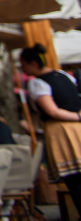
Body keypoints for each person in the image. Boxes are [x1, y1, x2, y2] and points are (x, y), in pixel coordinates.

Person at [20, 43, 81, 212]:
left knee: (74, 178)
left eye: (23, 65)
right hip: (78, 130)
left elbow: (52, 111)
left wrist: (78, 117)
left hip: (61, 131)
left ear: (33, 63)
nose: (22, 70)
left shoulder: (37, 83)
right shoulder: (63, 75)